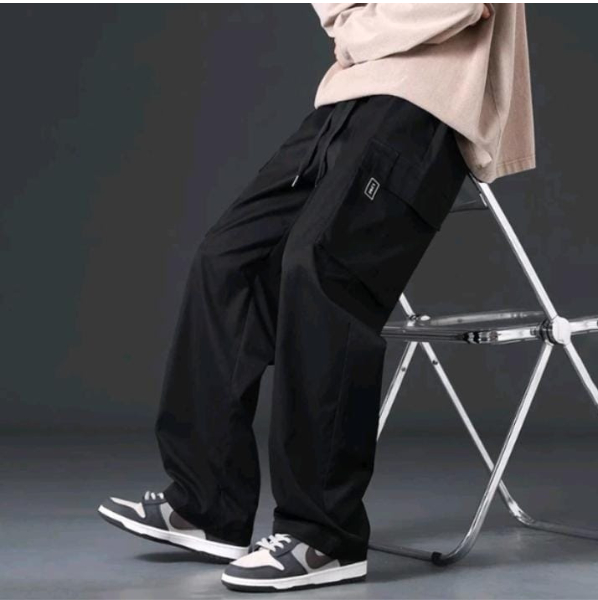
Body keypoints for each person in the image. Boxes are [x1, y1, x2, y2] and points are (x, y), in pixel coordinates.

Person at [98, 3, 535, 592]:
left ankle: (325, 535)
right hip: (343, 101)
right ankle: (207, 504)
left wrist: (364, 28)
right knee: (227, 261)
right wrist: (364, 27)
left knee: (321, 267)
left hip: (427, 104)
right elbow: (338, 12)